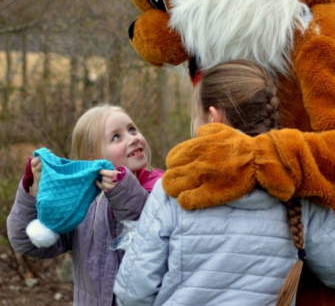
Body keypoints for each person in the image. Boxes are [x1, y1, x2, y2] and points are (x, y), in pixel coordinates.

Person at [114, 61, 335, 306]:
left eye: (196, 116)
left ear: (214, 118)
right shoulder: (293, 184)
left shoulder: (175, 186)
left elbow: (133, 292)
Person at [7, 104, 163, 306]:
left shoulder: (161, 189)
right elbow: (27, 243)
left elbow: (149, 231)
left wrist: (123, 190)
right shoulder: (83, 204)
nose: (132, 138)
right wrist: (34, 189)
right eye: (116, 137)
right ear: (93, 159)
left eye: (132, 129)